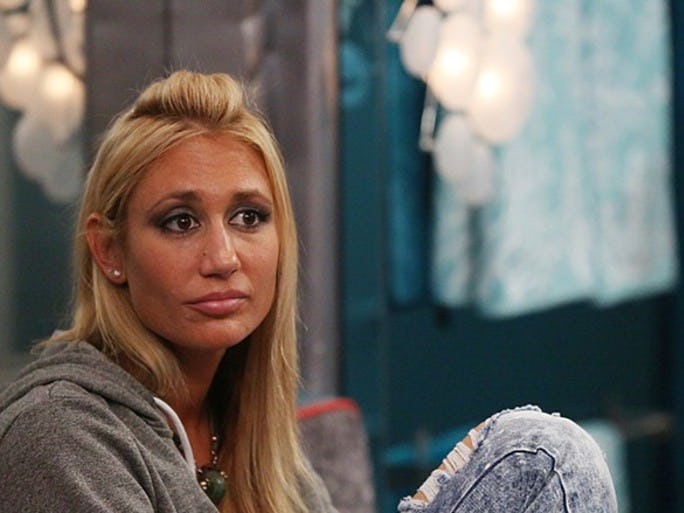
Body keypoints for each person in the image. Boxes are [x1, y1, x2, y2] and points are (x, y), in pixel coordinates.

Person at [0, 71, 617, 513]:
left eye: (248, 217)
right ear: (110, 251)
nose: (223, 258)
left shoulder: (258, 442)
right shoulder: (59, 435)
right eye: (180, 222)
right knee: (540, 455)